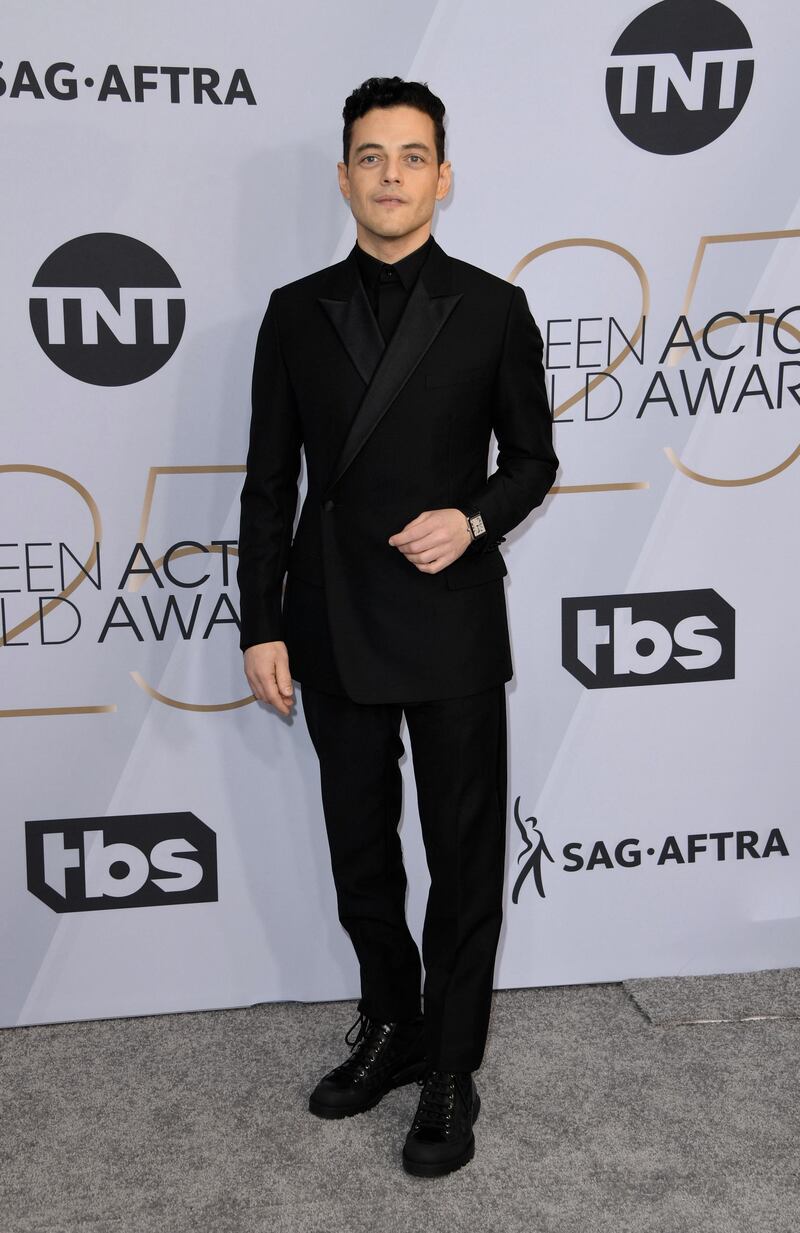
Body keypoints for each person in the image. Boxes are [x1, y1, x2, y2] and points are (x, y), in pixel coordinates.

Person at [238, 76, 557, 1178]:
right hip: (328, 621)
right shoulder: (292, 311)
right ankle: (392, 1022)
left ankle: (453, 1065)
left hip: (452, 621)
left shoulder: (491, 308)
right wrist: (259, 622)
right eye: (369, 157)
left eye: (410, 156)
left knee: (464, 860)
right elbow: (266, 483)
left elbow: (531, 463)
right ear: (342, 177)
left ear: (442, 176)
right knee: (360, 854)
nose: (389, 175)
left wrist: (470, 518)